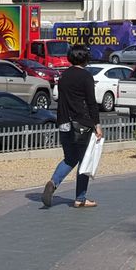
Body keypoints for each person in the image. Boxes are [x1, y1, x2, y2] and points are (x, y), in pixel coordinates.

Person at [42, 44, 104, 208]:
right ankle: (80, 198)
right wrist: (97, 125)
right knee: (84, 161)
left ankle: (53, 182)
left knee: (70, 158)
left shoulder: (63, 76)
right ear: (85, 59)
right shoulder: (86, 77)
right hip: (81, 123)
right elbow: (91, 103)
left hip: (64, 122)